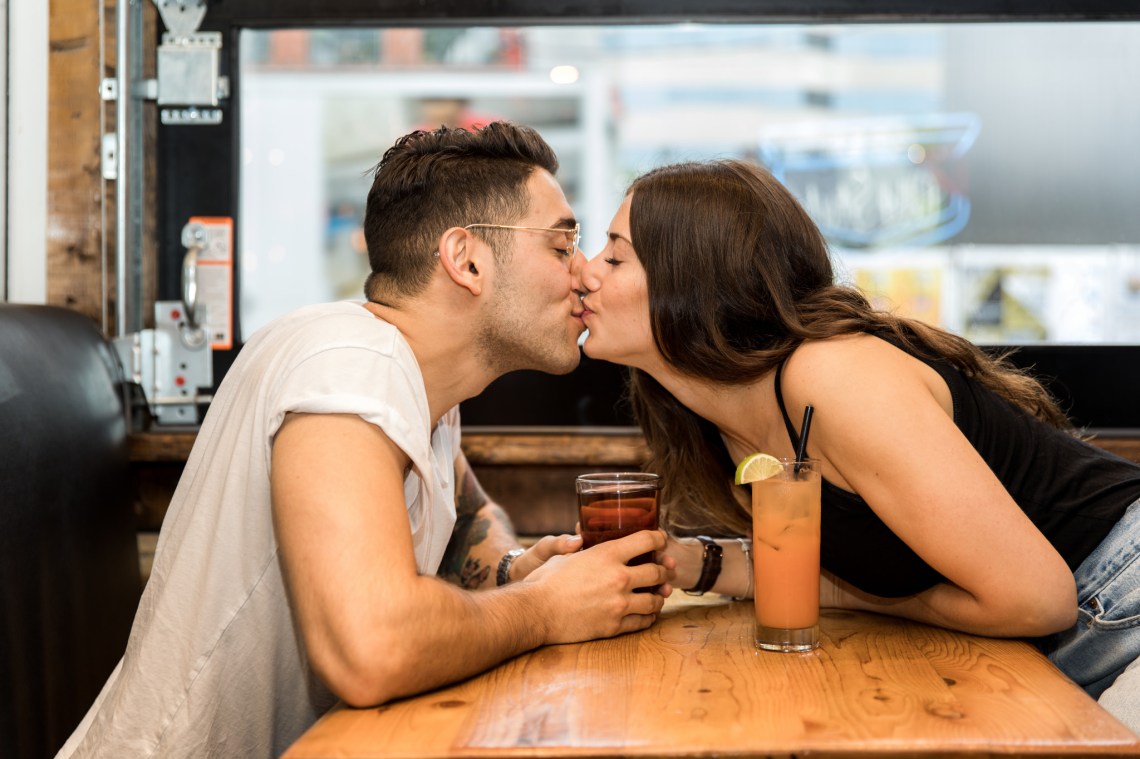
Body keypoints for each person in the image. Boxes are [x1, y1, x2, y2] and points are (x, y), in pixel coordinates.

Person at [59, 123, 669, 758]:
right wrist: (543, 609)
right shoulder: (350, 364)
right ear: (466, 260)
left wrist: (516, 573)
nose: (584, 273)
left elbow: (464, 516)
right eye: (562, 243)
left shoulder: (419, 384)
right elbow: (371, 650)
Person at [575, 157, 1140, 730]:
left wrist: (885, 600)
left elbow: (1037, 599)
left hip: (1123, 588)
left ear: (696, 282)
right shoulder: (723, 418)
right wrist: (691, 562)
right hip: (1077, 632)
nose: (586, 273)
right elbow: (801, 570)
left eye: (615, 256)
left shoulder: (831, 378)